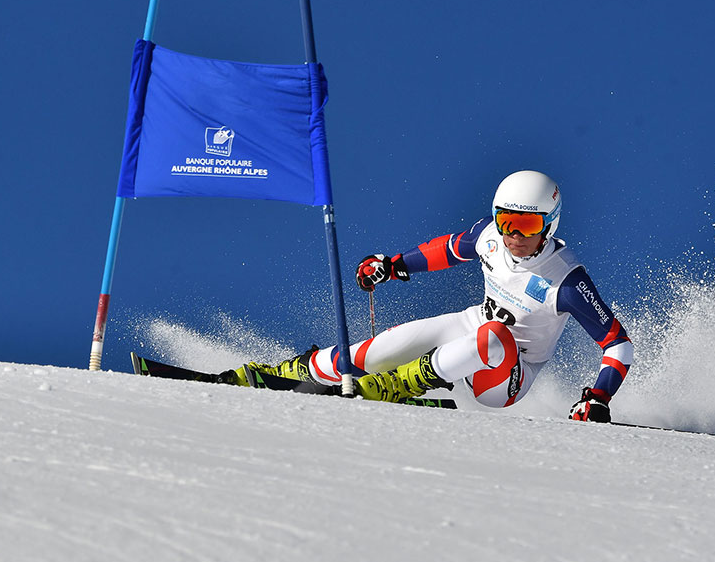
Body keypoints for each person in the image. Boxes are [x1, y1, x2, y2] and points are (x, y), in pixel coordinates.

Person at [231, 170, 632, 422]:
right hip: (471, 329)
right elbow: (449, 248)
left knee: (494, 334)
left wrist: (597, 397)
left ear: (549, 222)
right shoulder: (490, 237)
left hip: (506, 376)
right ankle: (292, 372)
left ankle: (396, 385)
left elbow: (618, 345)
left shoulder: (565, 280)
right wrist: (393, 265)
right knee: (379, 349)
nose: (514, 236)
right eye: (507, 221)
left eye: (527, 225)